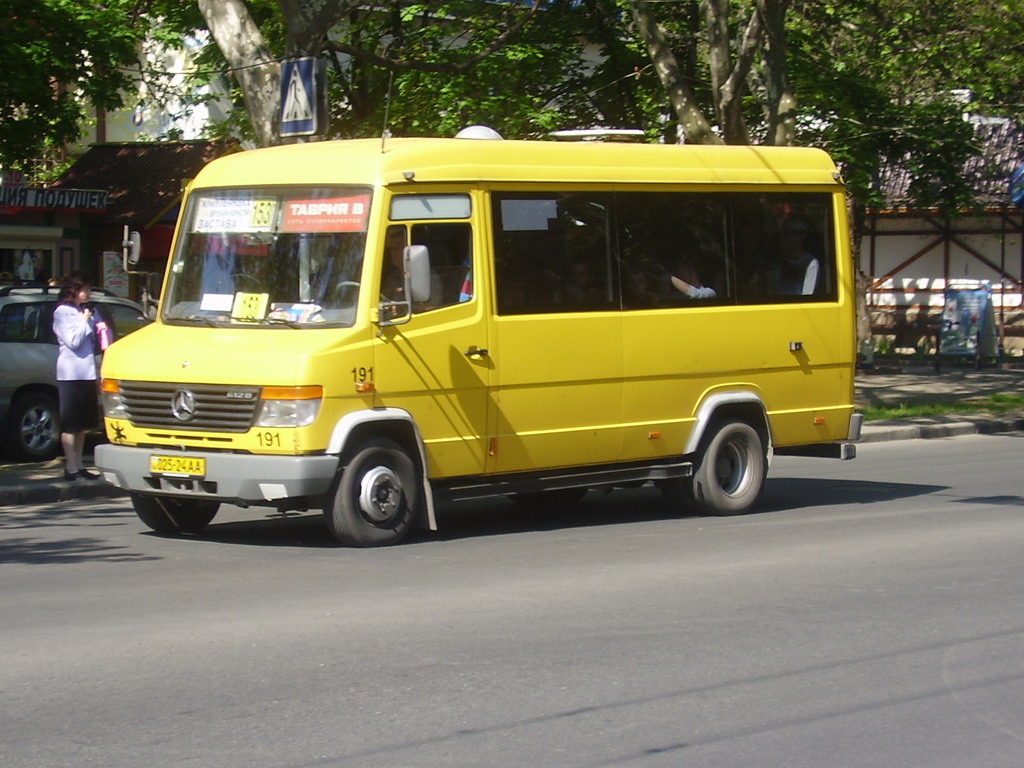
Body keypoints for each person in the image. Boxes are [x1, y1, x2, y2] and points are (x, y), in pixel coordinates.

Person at [52, 271, 101, 481]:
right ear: (74, 291)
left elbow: (94, 342)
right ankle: (70, 466)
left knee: (83, 424)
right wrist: (83, 321)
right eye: (84, 290)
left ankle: (80, 464)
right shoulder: (62, 312)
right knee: (71, 423)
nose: (88, 293)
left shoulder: (85, 311)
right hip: (70, 374)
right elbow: (73, 341)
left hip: (87, 372)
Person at [777, 219, 820, 296]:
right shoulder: (782, 262)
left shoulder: (811, 264)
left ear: (803, 236)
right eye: (787, 234)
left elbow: (807, 295)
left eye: (795, 234)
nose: (790, 238)